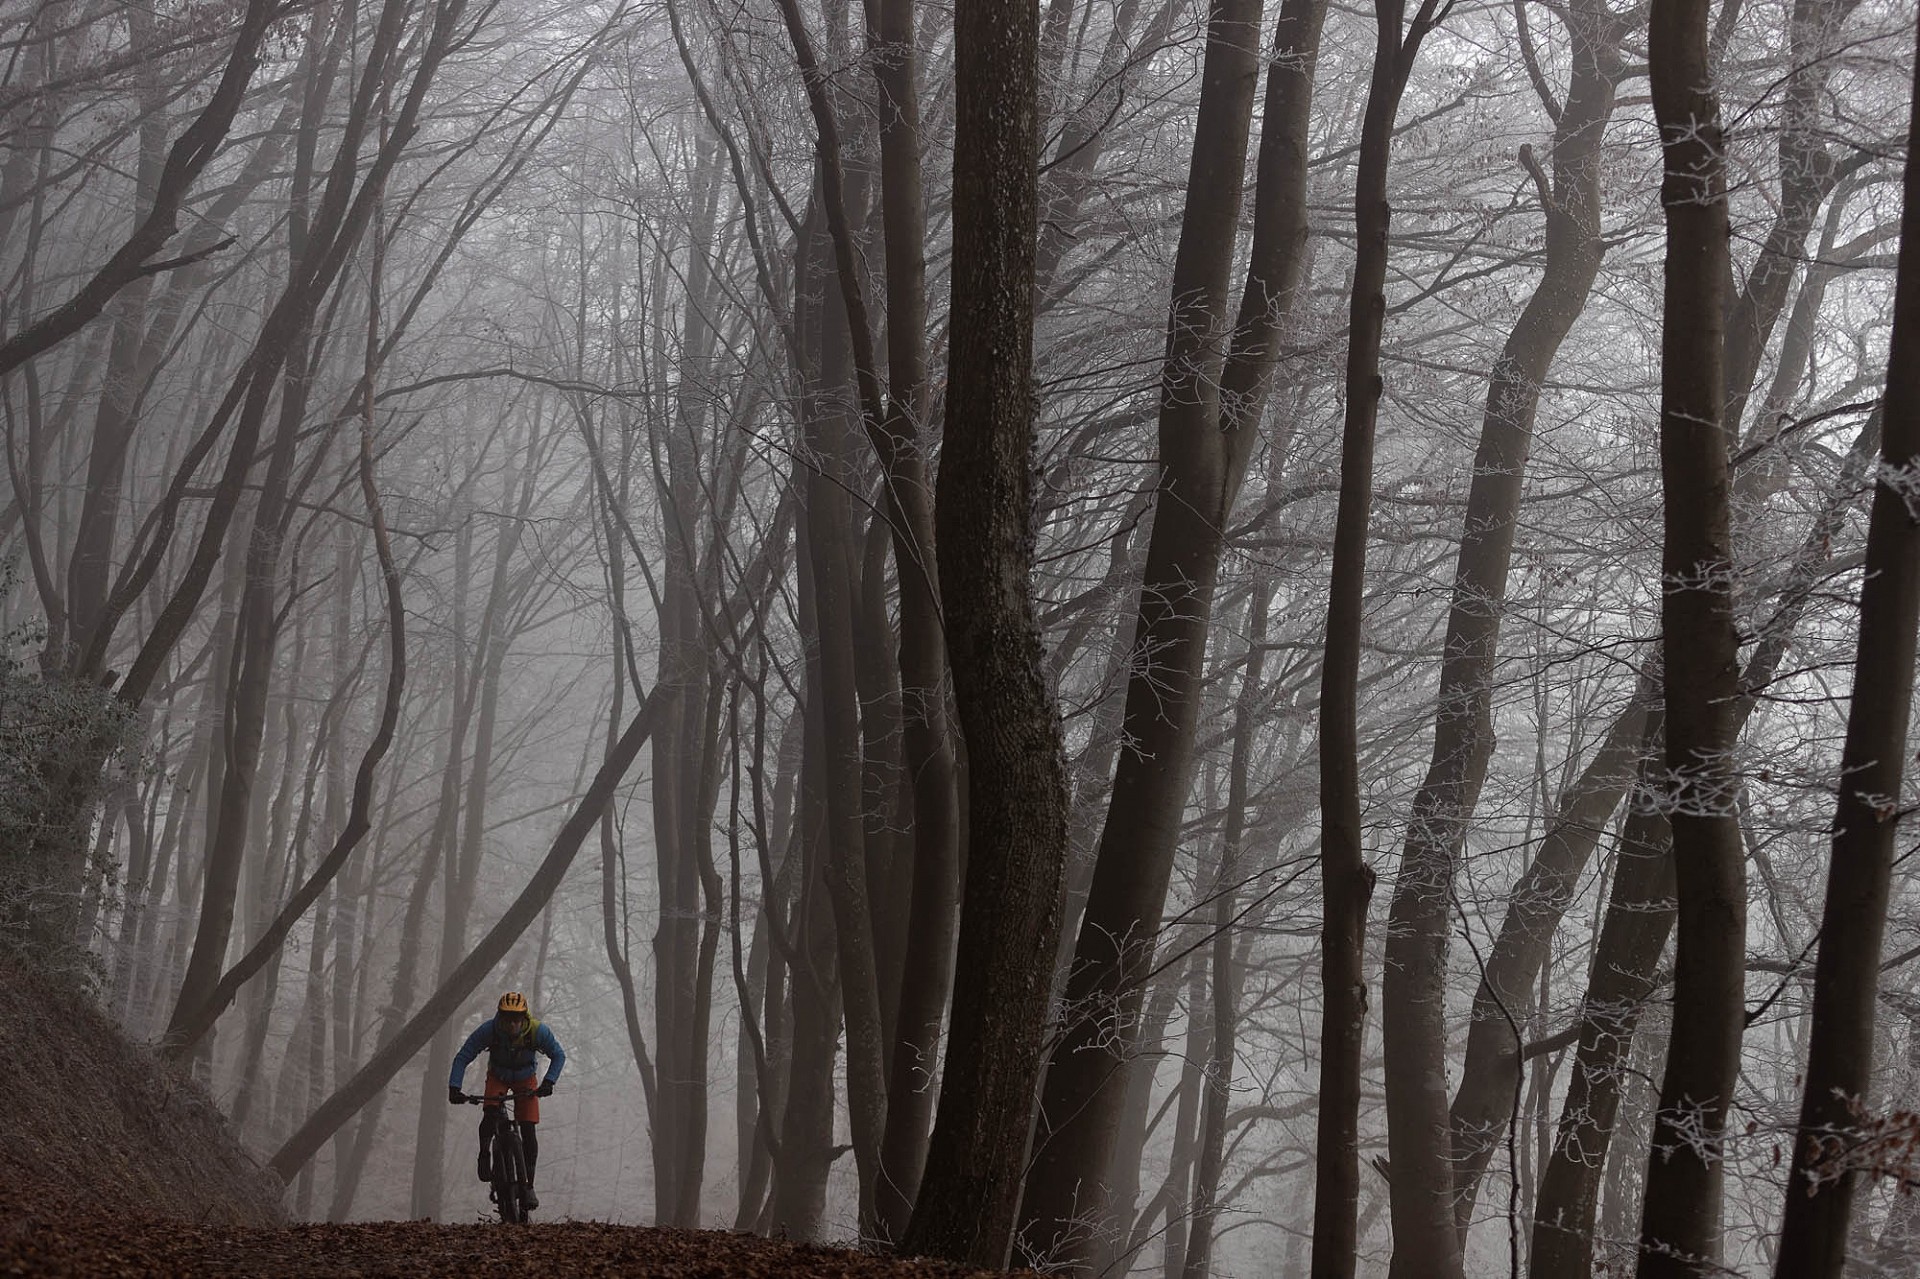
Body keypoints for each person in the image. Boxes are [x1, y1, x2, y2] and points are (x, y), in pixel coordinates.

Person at [448, 991, 565, 1210]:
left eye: (516, 1019)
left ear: (524, 1017)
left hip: (526, 1079)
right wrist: (454, 1087)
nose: (511, 1024)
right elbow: (464, 1056)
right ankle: (484, 1153)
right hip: (498, 1076)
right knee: (490, 1115)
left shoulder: (538, 1031)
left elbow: (559, 1055)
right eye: (507, 1018)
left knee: (529, 1130)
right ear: (499, 1017)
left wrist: (549, 1082)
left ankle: (528, 1186)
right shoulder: (489, 1030)